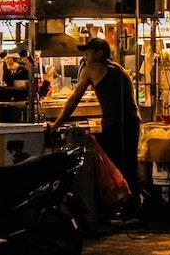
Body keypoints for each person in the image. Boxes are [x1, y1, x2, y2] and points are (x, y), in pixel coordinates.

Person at [50, 38, 141, 219]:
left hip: (116, 124)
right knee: (129, 164)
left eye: (88, 52)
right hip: (133, 122)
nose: (85, 56)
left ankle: (116, 210)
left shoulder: (92, 68)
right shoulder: (119, 68)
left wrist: (56, 125)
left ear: (99, 54)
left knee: (112, 166)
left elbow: (74, 99)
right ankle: (132, 209)